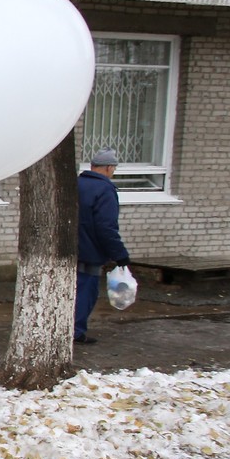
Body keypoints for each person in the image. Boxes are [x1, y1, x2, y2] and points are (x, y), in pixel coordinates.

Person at [76, 147, 131, 344]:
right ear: (108, 168)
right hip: (90, 251)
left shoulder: (76, 183)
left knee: (70, 291)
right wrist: (119, 254)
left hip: (70, 249)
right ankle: (76, 332)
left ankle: (66, 328)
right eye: (113, 168)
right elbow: (106, 227)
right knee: (85, 293)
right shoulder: (105, 190)